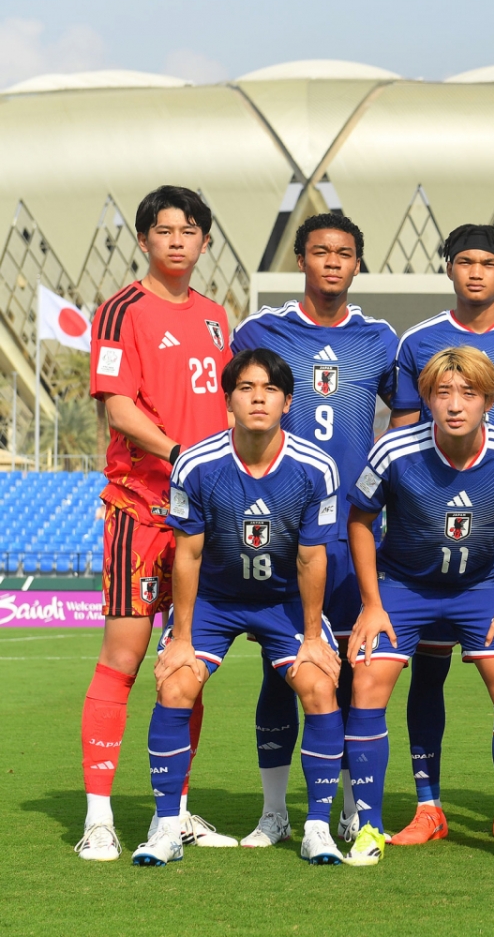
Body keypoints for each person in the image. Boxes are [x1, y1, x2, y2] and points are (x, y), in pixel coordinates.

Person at [342, 346, 494, 866]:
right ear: (428, 400)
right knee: (369, 678)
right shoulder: (393, 450)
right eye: (442, 393)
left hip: (481, 588)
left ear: (488, 399)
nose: (455, 404)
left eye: (468, 393)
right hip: (404, 586)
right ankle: (368, 827)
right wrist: (372, 604)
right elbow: (360, 522)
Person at [133, 349, 344, 866]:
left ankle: (317, 826)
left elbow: (312, 559)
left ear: (287, 401)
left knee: (318, 685)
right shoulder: (197, 464)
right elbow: (188, 553)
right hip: (215, 600)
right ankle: (166, 826)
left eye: (269, 389)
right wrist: (180, 638)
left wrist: (314, 638)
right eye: (246, 387)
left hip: (283, 602)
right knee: (176, 683)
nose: (257, 397)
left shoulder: (316, 467)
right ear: (228, 398)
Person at [231, 213, 400, 848]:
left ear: (359, 264)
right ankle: (274, 812)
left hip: (353, 533)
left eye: (345, 253)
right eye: (321, 251)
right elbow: (238, 407)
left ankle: (354, 808)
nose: (333, 261)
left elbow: (406, 416)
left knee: (357, 669)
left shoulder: (381, 338)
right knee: (283, 669)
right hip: (281, 532)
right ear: (301, 258)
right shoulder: (263, 330)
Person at [388, 223, 494, 846]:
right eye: (465, 262)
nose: (477, 272)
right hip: (429, 534)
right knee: (426, 669)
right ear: (450, 270)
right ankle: (428, 806)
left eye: (489, 262)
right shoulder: (421, 340)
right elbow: (404, 427)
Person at [78, 186, 236, 861]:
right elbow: (117, 408)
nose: (177, 240)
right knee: (124, 659)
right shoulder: (121, 309)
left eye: (189, 230)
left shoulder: (215, 317)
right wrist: (182, 454)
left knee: (188, 666)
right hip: (142, 510)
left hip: (201, 518)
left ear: (204, 243)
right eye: (164, 230)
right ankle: (99, 818)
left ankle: (173, 813)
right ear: (144, 241)